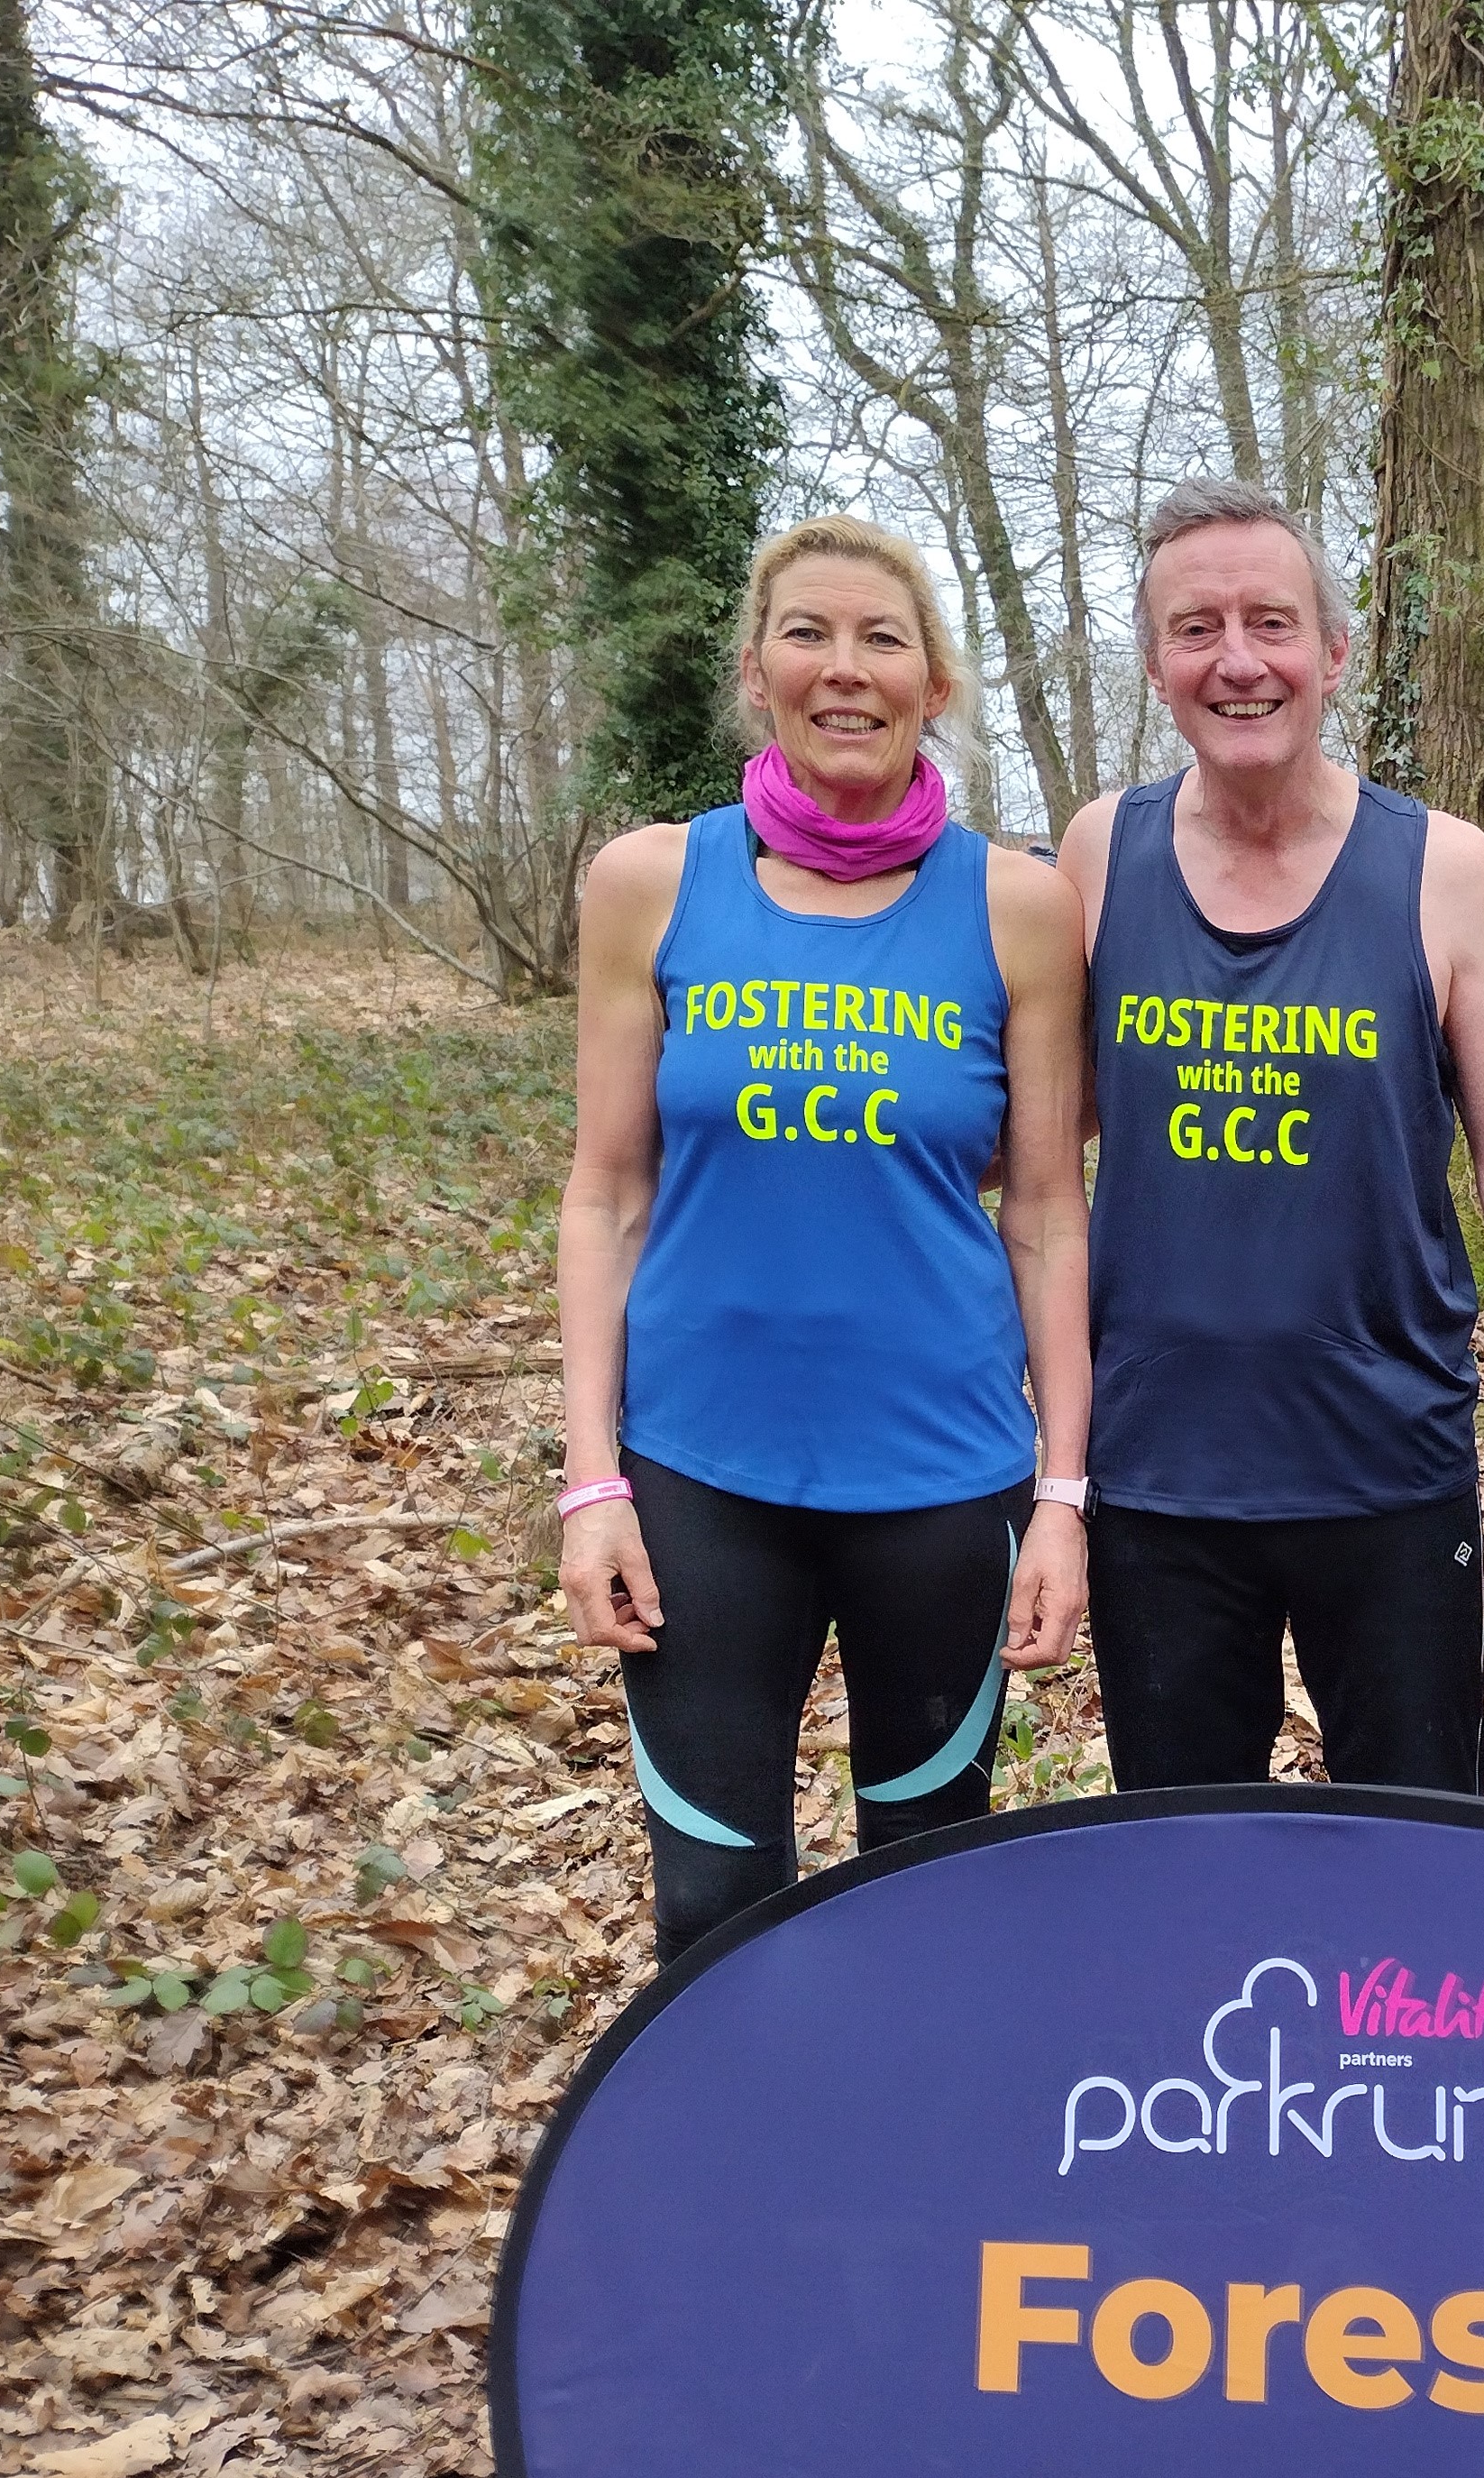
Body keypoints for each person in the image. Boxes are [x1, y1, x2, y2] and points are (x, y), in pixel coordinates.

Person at [1058, 476, 1484, 1794]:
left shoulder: (1440, 869)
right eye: (1195, 628)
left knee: (1418, 1856)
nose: (1237, 660)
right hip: (1158, 1469)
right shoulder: (1094, 856)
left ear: (1335, 653)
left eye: (1271, 622)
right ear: (1154, 661)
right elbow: (1036, 1175)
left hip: (1383, 1461)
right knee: (1179, 1857)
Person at [557, 517, 1091, 1964]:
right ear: (755, 671)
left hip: (941, 1480)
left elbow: (1045, 1212)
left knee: (922, 1905)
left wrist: (1062, 1495)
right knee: (715, 1912)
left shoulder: (1018, 907)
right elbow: (606, 1189)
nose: (842, 670)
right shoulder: (650, 885)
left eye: (881, 639)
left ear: (933, 684)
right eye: (807, 634)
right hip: (699, 1475)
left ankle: (906, 2179)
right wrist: (589, 1480)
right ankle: (743, 2188)